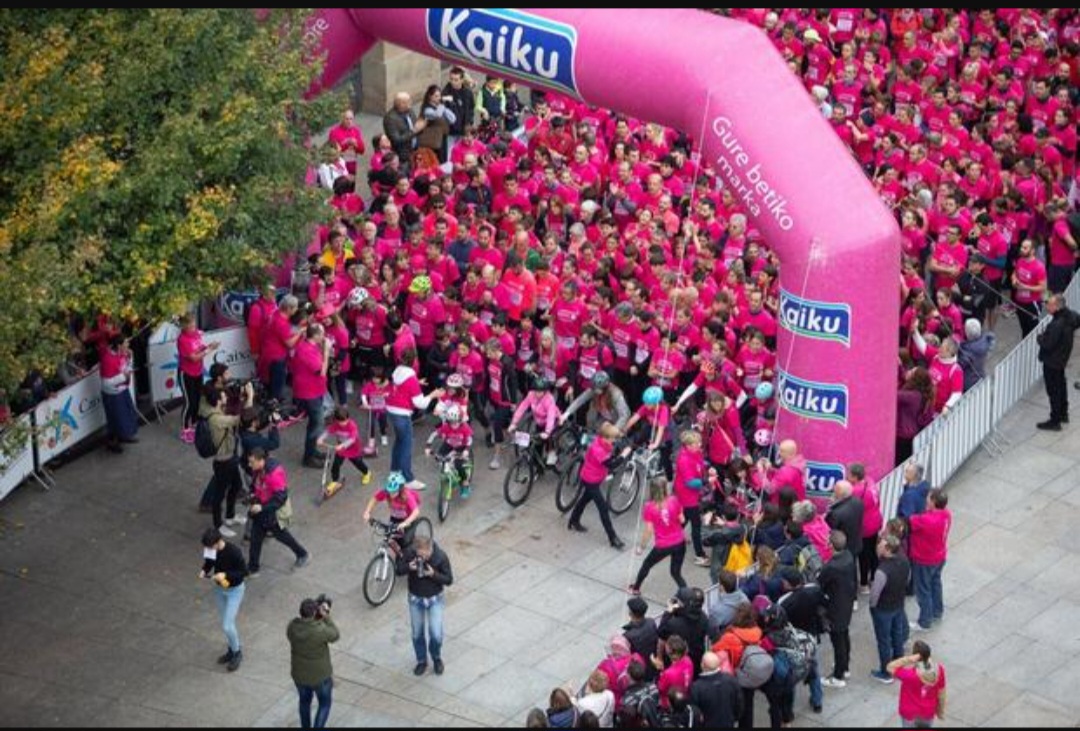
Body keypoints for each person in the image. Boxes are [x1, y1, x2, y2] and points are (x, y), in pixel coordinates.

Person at [387, 348, 443, 489]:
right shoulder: (411, 379)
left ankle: (394, 471)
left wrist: (417, 383)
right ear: (414, 361)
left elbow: (402, 387)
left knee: (399, 442)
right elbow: (421, 404)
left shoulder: (397, 372)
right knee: (406, 446)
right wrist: (433, 395)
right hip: (403, 414)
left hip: (392, 411)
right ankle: (408, 479)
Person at [247, 448, 309, 575]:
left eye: (252, 462)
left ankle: (302, 553)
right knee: (255, 538)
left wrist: (262, 508)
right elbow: (255, 485)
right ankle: (253, 567)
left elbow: (281, 497)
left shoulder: (274, 474)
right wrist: (253, 495)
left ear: (261, 461)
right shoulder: (258, 470)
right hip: (261, 508)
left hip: (270, 511)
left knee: (282, 536)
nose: (250, 465)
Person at [202, 384, 253, 537]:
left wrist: (242, 399)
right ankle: (218, 525)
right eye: (223, 395)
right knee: (219, 494)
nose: (226, 397)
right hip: (222, 460)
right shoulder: (217, 419)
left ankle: (230, 516)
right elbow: (243, 418)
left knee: (236, 485)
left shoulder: (216, 411)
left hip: (230, 457)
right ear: (218, 400)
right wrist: (250, 397)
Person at [567, 421, 627, 550]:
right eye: (613, 439)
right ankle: (613, 538)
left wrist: (619, 435)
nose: (615, 441)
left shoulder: (602, 441)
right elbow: (612, 464)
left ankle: (573, 520)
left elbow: (612, 440)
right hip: (591, 480)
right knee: (603, 508)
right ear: (606, 437)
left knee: (584, 500)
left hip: (592, 477)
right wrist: (623, 455)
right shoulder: (598, 450)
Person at [399, 535, 453, 676]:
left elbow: (449, 579)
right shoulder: (410, 554)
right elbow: (398, 569)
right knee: (417, 633)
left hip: (434, 598)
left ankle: (436, 657)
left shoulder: (440, 557)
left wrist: (433, 574)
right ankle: (421, 660)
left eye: (425, 555)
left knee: (436, 634)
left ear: (430, 549)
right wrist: (408, 567)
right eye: (420, 554)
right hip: (416, 598)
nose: (423, 557)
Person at [200, 527, 248, 672]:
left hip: (235, 591)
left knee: (227, 625)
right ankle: (232, 649)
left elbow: (243, 572)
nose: (209, 550)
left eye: (210, 546)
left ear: (218, 541)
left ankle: (237, 652)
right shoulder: (211, 550)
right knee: (226, 623)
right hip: (220, 589)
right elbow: (209, 562)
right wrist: (204, 570)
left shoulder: (234, 552)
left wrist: (225, 575)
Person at [287, 596, 340, 729]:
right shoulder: (319, 630)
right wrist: (326, 616)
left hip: (300, 676)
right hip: (320, 677)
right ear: (314, 612)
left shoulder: (292, 627)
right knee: (324, 704)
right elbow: (335, 635)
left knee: (304, 703)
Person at [629, 476, 685, 595]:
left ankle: (636, 588)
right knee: (675, 573)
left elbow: (648, 531)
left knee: (647, 564)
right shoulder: (674, 500)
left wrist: (641, 547)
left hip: (663, 545)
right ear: (665, 488)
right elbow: (682, 519)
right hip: (679, 541)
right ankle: (687, 594)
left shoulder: (649, 507)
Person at [869, 534, 910, 684]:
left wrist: (872, 607)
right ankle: (899, 663)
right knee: (897, 634)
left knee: (884, 640)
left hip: (883, 609)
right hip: (898, 604)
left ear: (887, 549)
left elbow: (874, 594)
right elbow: (908, 579)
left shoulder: (882, 571)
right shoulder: (904, 560)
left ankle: (886, 672)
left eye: (880, 544)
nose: (878, 546)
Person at [908, 489, 951, 632]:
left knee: (923, 590)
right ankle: (937, 611)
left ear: (933, 502)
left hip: (924, 559)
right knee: (935, 583)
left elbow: (910, 520)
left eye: (928, 498)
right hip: (939, 556)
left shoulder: (925, 520)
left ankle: (924, 621)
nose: (926, 500)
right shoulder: (946, 514)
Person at [818, 531, 857, 688]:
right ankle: (845, 666)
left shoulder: (831, 567)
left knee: (838, 641)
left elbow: (821, 583)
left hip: (835, 607)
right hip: (846, 602)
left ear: (831, 546)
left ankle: (838, 675)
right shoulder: (848, 556)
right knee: (844, 636)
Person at [290, 323, 333, 468]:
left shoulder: (307, 346)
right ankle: (308, 457)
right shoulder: (306, 350)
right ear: (315, 335)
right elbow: (321, 371)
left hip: (314, 390)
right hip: (309, 393)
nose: (324, 336)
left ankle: (312, 450)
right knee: (316, 424)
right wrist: (326, 352)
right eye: (322, 334)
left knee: (314, 423)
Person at [1036, 294, 1080, 430]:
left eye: (1048, 304)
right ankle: (1063, 413)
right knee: (1061, 385)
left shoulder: (1056, 324)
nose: (1046, 305)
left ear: (1056, 306)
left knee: (1053, 390)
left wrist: (1040, 337)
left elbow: (1047, 344)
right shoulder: (1071, 316)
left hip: (1052, 361)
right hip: (1062, 358)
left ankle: (1055, 420)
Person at [177, 313, 219, 442]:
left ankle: (194, 424)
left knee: (197, 400)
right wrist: (209, 350)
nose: (193, 328)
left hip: (198, 372)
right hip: (186, 374)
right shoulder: (182, 339)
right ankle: (185, 430)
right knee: (189, 402)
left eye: (194, 324)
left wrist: (208, 346)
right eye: (190, 326)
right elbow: (193, 358)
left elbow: (200, 348)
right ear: (184, 326)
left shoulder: (196, 334)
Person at [887, 641, 946, 728]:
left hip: (909, 713)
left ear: (915, 656)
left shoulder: (909, 675)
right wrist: (940, 711)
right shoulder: (939, 670)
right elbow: (941, 693)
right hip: (928, 711)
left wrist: (908, 659)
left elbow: (890, 667)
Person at [362, 471, 423, 552]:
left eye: (394, 491)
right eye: (390, 491)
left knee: (406, 542)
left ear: (400, 489)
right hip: (395, 517)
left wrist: (405, 523)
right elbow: (374, 499)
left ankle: (411, 555)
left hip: (408, 518)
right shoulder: (387, 491)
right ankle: (398, 553)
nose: (391, 494)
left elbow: (416, 511)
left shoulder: (407, 495)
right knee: (390, 536)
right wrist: (367, 512)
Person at [317, 406, 373, 494]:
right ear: (336, 420)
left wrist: (343, 445)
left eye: (345, 421)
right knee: (335, 465)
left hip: (353, 449)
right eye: (340, 422)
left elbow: (352, 439)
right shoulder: (335, 425)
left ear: (348, 418)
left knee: (358, 463)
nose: (343, 423)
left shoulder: (352, 425)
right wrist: (321, 438)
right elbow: (328, 431)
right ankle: (335, 481)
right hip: (341, 450)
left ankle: (367, 472)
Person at [99, 335, 139, 454]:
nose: (128, 346)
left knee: (126, 415)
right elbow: (106, 383)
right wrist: (123, 377)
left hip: (122, 390)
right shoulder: (107, 359)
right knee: (115, 418)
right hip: (113, 394)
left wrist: (130, 358)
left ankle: (124, 435)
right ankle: (112, 442)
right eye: (125, 344)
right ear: (118, 346)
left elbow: (126, 367)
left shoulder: (121, 354)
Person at [690, 651, 742, 729]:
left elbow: (695, 713)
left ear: (702, 665)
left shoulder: (696, 687)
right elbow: (739, 704)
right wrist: (734, 718)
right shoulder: (731, 680)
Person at [383, 92, 427, 169]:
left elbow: (416, 126)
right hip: (402, 156)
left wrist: (421, 127)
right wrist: (414, 131)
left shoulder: (410, 111)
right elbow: (396, 140)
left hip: (415, 151)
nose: (411, 103)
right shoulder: (390, 119)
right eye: (408, 101)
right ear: (401, 104)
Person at [623, 597, 660, 681]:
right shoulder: (651, 622)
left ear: (630, 613)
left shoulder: (628, 635)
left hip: (639, 668)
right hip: (652, 662)